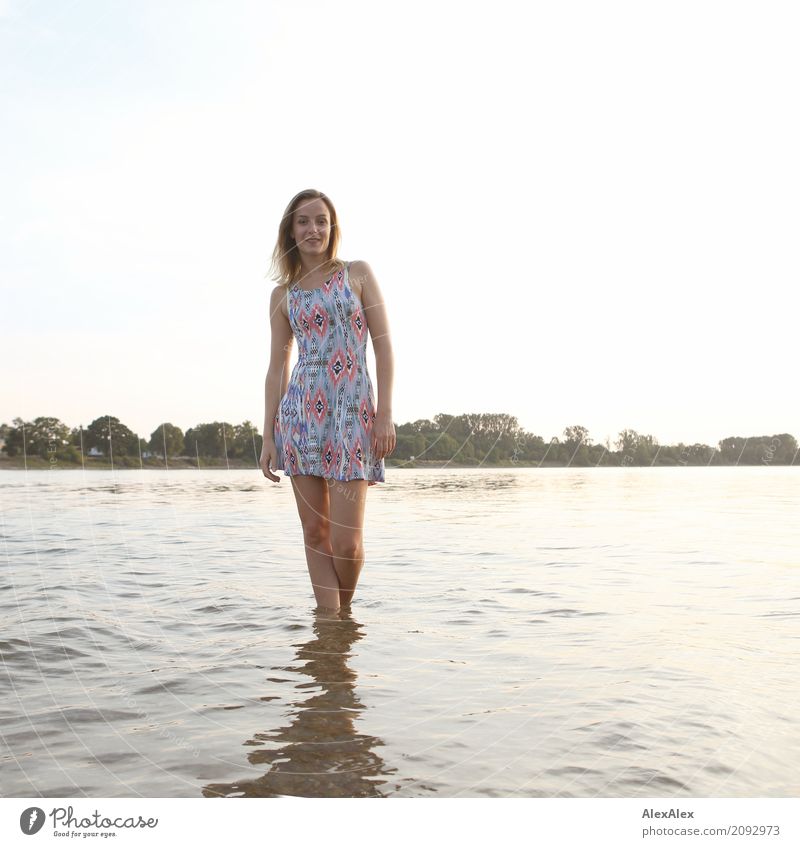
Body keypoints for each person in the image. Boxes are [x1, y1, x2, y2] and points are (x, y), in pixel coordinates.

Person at [260, 189, 396, 612]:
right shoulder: (283, 294)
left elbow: (384, 348)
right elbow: (277, 368)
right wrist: (269, 435)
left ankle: (341, 625)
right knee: (315, 533)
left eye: (321, 220)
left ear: (332, 227)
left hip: (353, 415)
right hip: (300, 418)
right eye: (303, 221)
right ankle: (331, 623)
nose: (313, 229)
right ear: (291, 231)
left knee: (346, 541)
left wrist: (385, 415)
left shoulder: (357, 273)